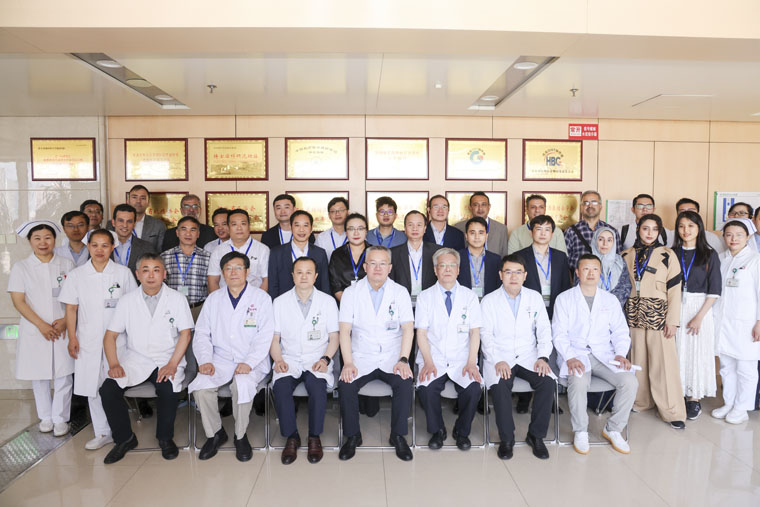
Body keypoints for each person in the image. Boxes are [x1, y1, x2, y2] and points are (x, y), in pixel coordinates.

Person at [99, 253, 194, 464]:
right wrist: (114, 364)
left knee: (167, 389)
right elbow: (110, 336)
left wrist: (172, 364)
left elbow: (186, 334)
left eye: (156, 270)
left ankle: (165, 438)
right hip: (136, 359)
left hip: (167, 357)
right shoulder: (127, 301)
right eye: (146, 270)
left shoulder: (177, 299)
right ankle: (124, 439)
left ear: (164, 274)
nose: (151, 275)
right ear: (137, 274)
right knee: (108, 389)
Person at [189, 252, 273, 462]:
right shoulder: (213, 299)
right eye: (228, 268)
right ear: (222, 273)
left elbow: (265, 336)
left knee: (242, 385)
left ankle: (240, 435)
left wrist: (249, 362)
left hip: (252, 359)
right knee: (201, 387)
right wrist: (205, 360)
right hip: (220, 358)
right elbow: (202, 333)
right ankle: (215, 433)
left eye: (238, 268)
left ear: (247, 271)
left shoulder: (261, 298)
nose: (233, 272)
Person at [59, 229, 137, 450]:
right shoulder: (77, 275)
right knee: (92, 386)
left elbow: (133, 306)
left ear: (113, 247)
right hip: (88, 339)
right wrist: (72, 337)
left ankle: (119, 429)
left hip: (119, 340)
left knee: (113, 385)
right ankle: (102, 432)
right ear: (88, 247)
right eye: (95, 245)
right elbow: (71, 309)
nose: (99, 250)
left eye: (105, 245)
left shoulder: (123, 273)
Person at [553, 254, 638, 455]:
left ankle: (613, 429)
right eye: (586, 269)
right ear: (577, 272)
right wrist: (570, 357)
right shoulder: (564, 299)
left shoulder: (610, 300)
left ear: (600, 273)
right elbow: (558, 333)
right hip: (575, 354)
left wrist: (620, 354)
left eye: (595, 269)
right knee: (579, 382)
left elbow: (620, 331)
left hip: (605, 355)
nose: (590, 273)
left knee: (630, 381)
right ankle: (581, 431)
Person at [337, 246, 415, 461]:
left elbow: (408, 329)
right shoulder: (351, 293)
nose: (378, 268)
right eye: (373, 263)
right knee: (346, 384)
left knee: (404, 382)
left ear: (390, 267)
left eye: (382, 263)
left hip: (392, 356)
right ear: (365, 267)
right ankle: (353, 436)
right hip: (361, 356)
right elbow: (344, 331)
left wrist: (403, 359)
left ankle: (398, 435)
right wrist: (348, 363)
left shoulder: (400, 292)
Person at [480, 254, 554, 460]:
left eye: (518, 272)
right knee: (501, 384)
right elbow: (485, 335)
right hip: (500, 355)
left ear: (525, 275)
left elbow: (544, 330)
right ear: (500, 275)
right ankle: (507, 439)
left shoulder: (534, 297)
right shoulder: (489, 301)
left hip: (529, 355)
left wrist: (543, 357)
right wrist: (497, 359)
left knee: (547, 382)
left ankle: (536, 436)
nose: (513, 277)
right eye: (508, 272)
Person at [8, 220, 75, 437]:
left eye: (47, 237)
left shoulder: (67, 264)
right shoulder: (21, 267)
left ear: (54, 239)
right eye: (37, 238)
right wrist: (41, 325)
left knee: (64, 374)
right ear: (30, 241)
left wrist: (65, 320)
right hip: (35, 329)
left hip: (62, 327)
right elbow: (19, 301)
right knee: (40, 375)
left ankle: (60, 419)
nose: (43, 242)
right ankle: (45, 417)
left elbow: (75, 297)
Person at [271, 257, 340, 464]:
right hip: (289, 358)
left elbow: (334, 337)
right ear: (292, 276)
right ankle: (292, 437)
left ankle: (314, 437)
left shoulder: (327, 302)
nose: (304, 276)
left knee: (317, 388)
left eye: (308, 272)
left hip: (317, 358)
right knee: (281, 387)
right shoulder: (279, 302)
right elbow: (274, 338)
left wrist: (325, 359)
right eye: (299, 272)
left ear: (315, 276)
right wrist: (278, 359)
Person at [621, 214, 686, 429]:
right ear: (638, 229)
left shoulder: (668, 254)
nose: (649, 233)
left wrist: (673, 321)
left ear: (660, 232)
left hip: (660, 316)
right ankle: (642, 402)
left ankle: (672, 411)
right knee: (638, 361)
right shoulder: (626, 255)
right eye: (645, 228)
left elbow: (675, 290)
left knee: (663, 365)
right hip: (634, 315)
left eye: (654, 229)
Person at [415, 248, 482, 451]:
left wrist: (471, 362)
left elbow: (475, 332)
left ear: (459, 270)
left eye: (452, 265)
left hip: (462, 357)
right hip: (433, 356)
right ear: (435, 270)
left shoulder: (470, 297)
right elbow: (421, 333)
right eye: (442, 265)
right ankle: (437, 431)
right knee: (426, 388)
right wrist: (428, 362)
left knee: (473, 388)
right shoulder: (425, 297)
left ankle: (462, 432)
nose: (447, 269)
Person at [671, 211, 721, 420]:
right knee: (676, 351)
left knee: (696, 352)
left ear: (699, 228)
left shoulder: (709, 254)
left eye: (691, 226)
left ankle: (694, 398)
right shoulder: (671, 253)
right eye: (681, 226)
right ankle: (678, 393)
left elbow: (715, 290)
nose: (686, 230)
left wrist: (699, 317)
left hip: (700, 308)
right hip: (675, 306)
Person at [711, 221, 760, 424]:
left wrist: (759, 321)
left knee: (746, 368)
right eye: (729, 234)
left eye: (739, 235)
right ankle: (729, 403)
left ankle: (742, 407)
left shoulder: (755, 260)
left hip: (746, 323)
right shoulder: (721, 258)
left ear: (748, 237)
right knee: (726, 366)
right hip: (723, 322)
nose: (733, 239)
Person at [517, 215, 571, 319]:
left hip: (556, 310)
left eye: (547, 229)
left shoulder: (561, 257)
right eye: (539, 229)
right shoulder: (519, 256)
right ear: (531, 232)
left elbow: (565, 286)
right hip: (527, 310)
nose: (543, 233)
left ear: (552, 234)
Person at [268, 210, 330, 299]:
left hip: (314, 303)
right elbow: (273, 285)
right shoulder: (276, 253)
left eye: (305, 225)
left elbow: (325, 285)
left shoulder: (320, 253)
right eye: (297, 225)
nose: (301, 230)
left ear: (311, 228)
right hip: (285, 302)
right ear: (291, 227)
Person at [160, 216, 211, 319]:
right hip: (172, 308)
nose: (188, 234)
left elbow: (211, 285)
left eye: (193, 230)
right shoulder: (164, 257)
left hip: (198, 309)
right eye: (184, 229)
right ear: (177, 233)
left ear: (198, 234)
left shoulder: (208, 257)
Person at [207, 209, 269, 293]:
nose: (239, 228)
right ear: (228, 228)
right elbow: (213, 281)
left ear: (249, 226)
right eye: (234, 224)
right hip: (225, 299)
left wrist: (257, 299)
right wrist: (220, 299)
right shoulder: (218, 251)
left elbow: (266, 280)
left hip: (254, 299)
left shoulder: (263, 250)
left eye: (243, 224)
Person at [390, 210, 441, 304]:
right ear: (405, 228)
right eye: (410, 225)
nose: (415, 228)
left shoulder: (437, 251)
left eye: (419, 225)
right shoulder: (393, 253)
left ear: (425, 228)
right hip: (402, 304)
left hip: (430, 303)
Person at [564, 190, 621, 271]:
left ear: (600, 206)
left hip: (606, 278)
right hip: (578, 277)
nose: (590, 205)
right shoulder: (570, 232)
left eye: (594, 202)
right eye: (586, 203)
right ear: (581, 207)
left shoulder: (612, 231)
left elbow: (618, 260)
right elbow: (564, 261)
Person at [107, 185, 166, 252]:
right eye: (134, 197)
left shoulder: (158, 225)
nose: (138, 201)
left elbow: (160, 252)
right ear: (128, 200)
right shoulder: (111, 224)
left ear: (149, 203)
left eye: (143, 198)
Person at [328, 213, 370, 302]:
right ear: (346, 232)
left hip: (371, 304)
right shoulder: (337, 254)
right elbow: (336, 286)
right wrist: (348, 305)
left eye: (360, 228)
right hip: (344, 304)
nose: (356, 233)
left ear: (366, 231)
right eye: (351, 229)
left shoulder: (375, 253)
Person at [457, 217, 501, 298]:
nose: (477, 237)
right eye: (472, 233)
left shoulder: (496, 260)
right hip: (464, 302)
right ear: (466, 236)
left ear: (486, 236)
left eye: (481, 233)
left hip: (489, 303)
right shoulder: (457, 257)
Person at [454, 192, 509, 257]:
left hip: (495, 263)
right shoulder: (459, 227)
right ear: (470, 207)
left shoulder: (501, 228)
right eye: (476, 205)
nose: (480, 208)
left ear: (489, 207)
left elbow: (504, 254)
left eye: (484, 204)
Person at [110, 204, 155, 279]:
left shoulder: (147, 247)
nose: (125, 225)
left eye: (129, 221)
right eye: (121, 220)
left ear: (134, 224)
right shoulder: (102, 246)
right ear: (113, 222)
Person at [590, 226, 632, 307]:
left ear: (614, 242)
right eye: (601, 239)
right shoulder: (585, 261)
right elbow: (580, 288)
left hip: (615, 308)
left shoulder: (620, 261)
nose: (605, 243)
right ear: (595, 240)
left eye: (609, 240)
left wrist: (611, 305)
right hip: (592, 308)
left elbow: (626, 287)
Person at [314, 196, 349, 261]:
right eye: (333, 211)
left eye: (341, 210)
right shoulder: (321, 238)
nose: (337, 214)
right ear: (329, 215)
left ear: (347, 212)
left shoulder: (356, 235)